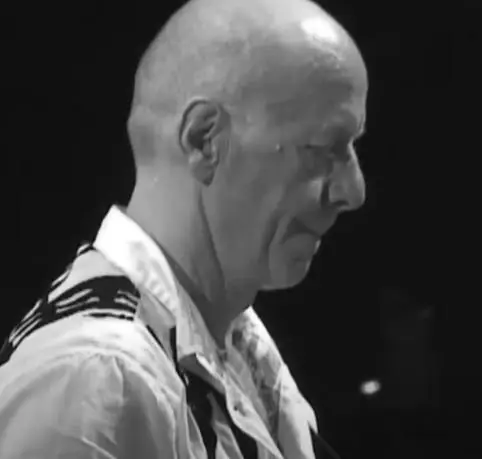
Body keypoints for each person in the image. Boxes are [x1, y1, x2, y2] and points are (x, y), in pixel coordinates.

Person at [0, 0, 367, 457]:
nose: (354, 190)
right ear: (204, 140)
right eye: (325, 147)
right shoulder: (93, 381)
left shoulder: (224, 342)